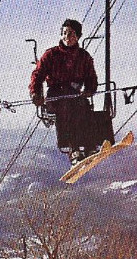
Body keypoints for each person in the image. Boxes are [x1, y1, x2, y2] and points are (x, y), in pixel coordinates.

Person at [29, 19, 99, 164]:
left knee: (84, 107)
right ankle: (74, 149)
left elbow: (91, 77)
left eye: (71, 33)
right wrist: (35, 92)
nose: (67, 37)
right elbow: (38, 74)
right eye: (64, 33)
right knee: (68, 108)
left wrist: (90, 89)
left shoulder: (83, 57)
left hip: (74, 94)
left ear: (78, 36)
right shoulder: (51, 55)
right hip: (56, 96)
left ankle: (90, 145)